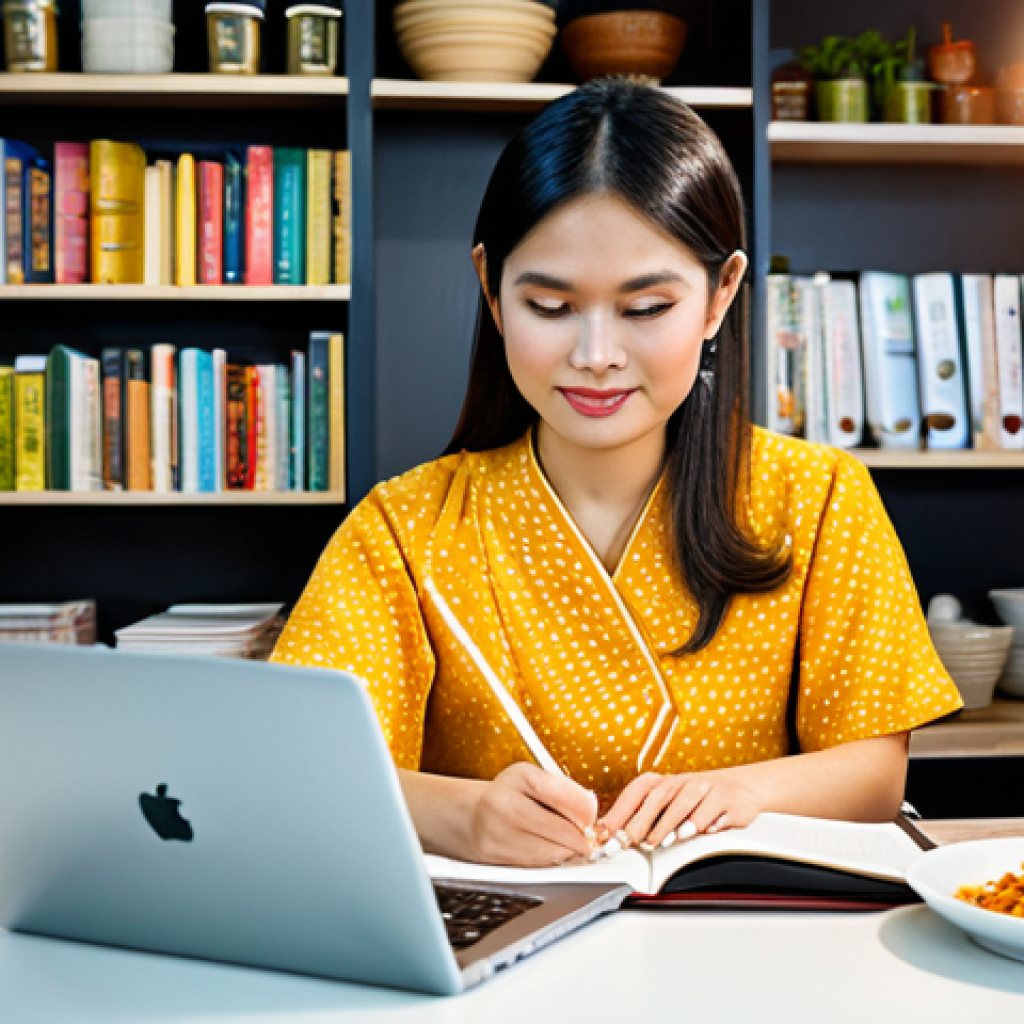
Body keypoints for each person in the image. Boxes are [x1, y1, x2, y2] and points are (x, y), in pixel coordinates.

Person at [271, 77, 962, 868]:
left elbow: (876, 776)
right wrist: (462, 815)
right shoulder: (403, 527)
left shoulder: (820, 497)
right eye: (551, 307)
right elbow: (302, 768)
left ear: (720, 295)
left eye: (645, 309)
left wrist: (739, 794)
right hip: (498, 931)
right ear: (492, 290)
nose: (596, 356)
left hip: (748, 927)